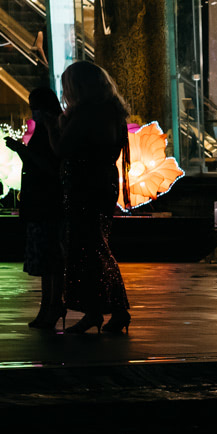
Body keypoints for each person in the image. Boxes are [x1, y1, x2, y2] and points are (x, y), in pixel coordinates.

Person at [57, 60, 133, 334]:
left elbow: (63, 148)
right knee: (95, 245)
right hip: (103, 184)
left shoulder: (86, 114)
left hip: (83, 185)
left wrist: (56, 123)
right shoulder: (112, 112)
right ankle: (101, 309)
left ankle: (103, 309)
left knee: (87, 247)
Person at [8, 84, 66, 328]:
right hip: (40, 199)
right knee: (46, 259)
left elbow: (51, 166)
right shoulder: (46, 129)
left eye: (35, 107)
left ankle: (52, 305)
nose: (33, 112)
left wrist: (23, 151)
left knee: (50, 257)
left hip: (47, 200)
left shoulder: (53, 129)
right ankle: (48, 306)